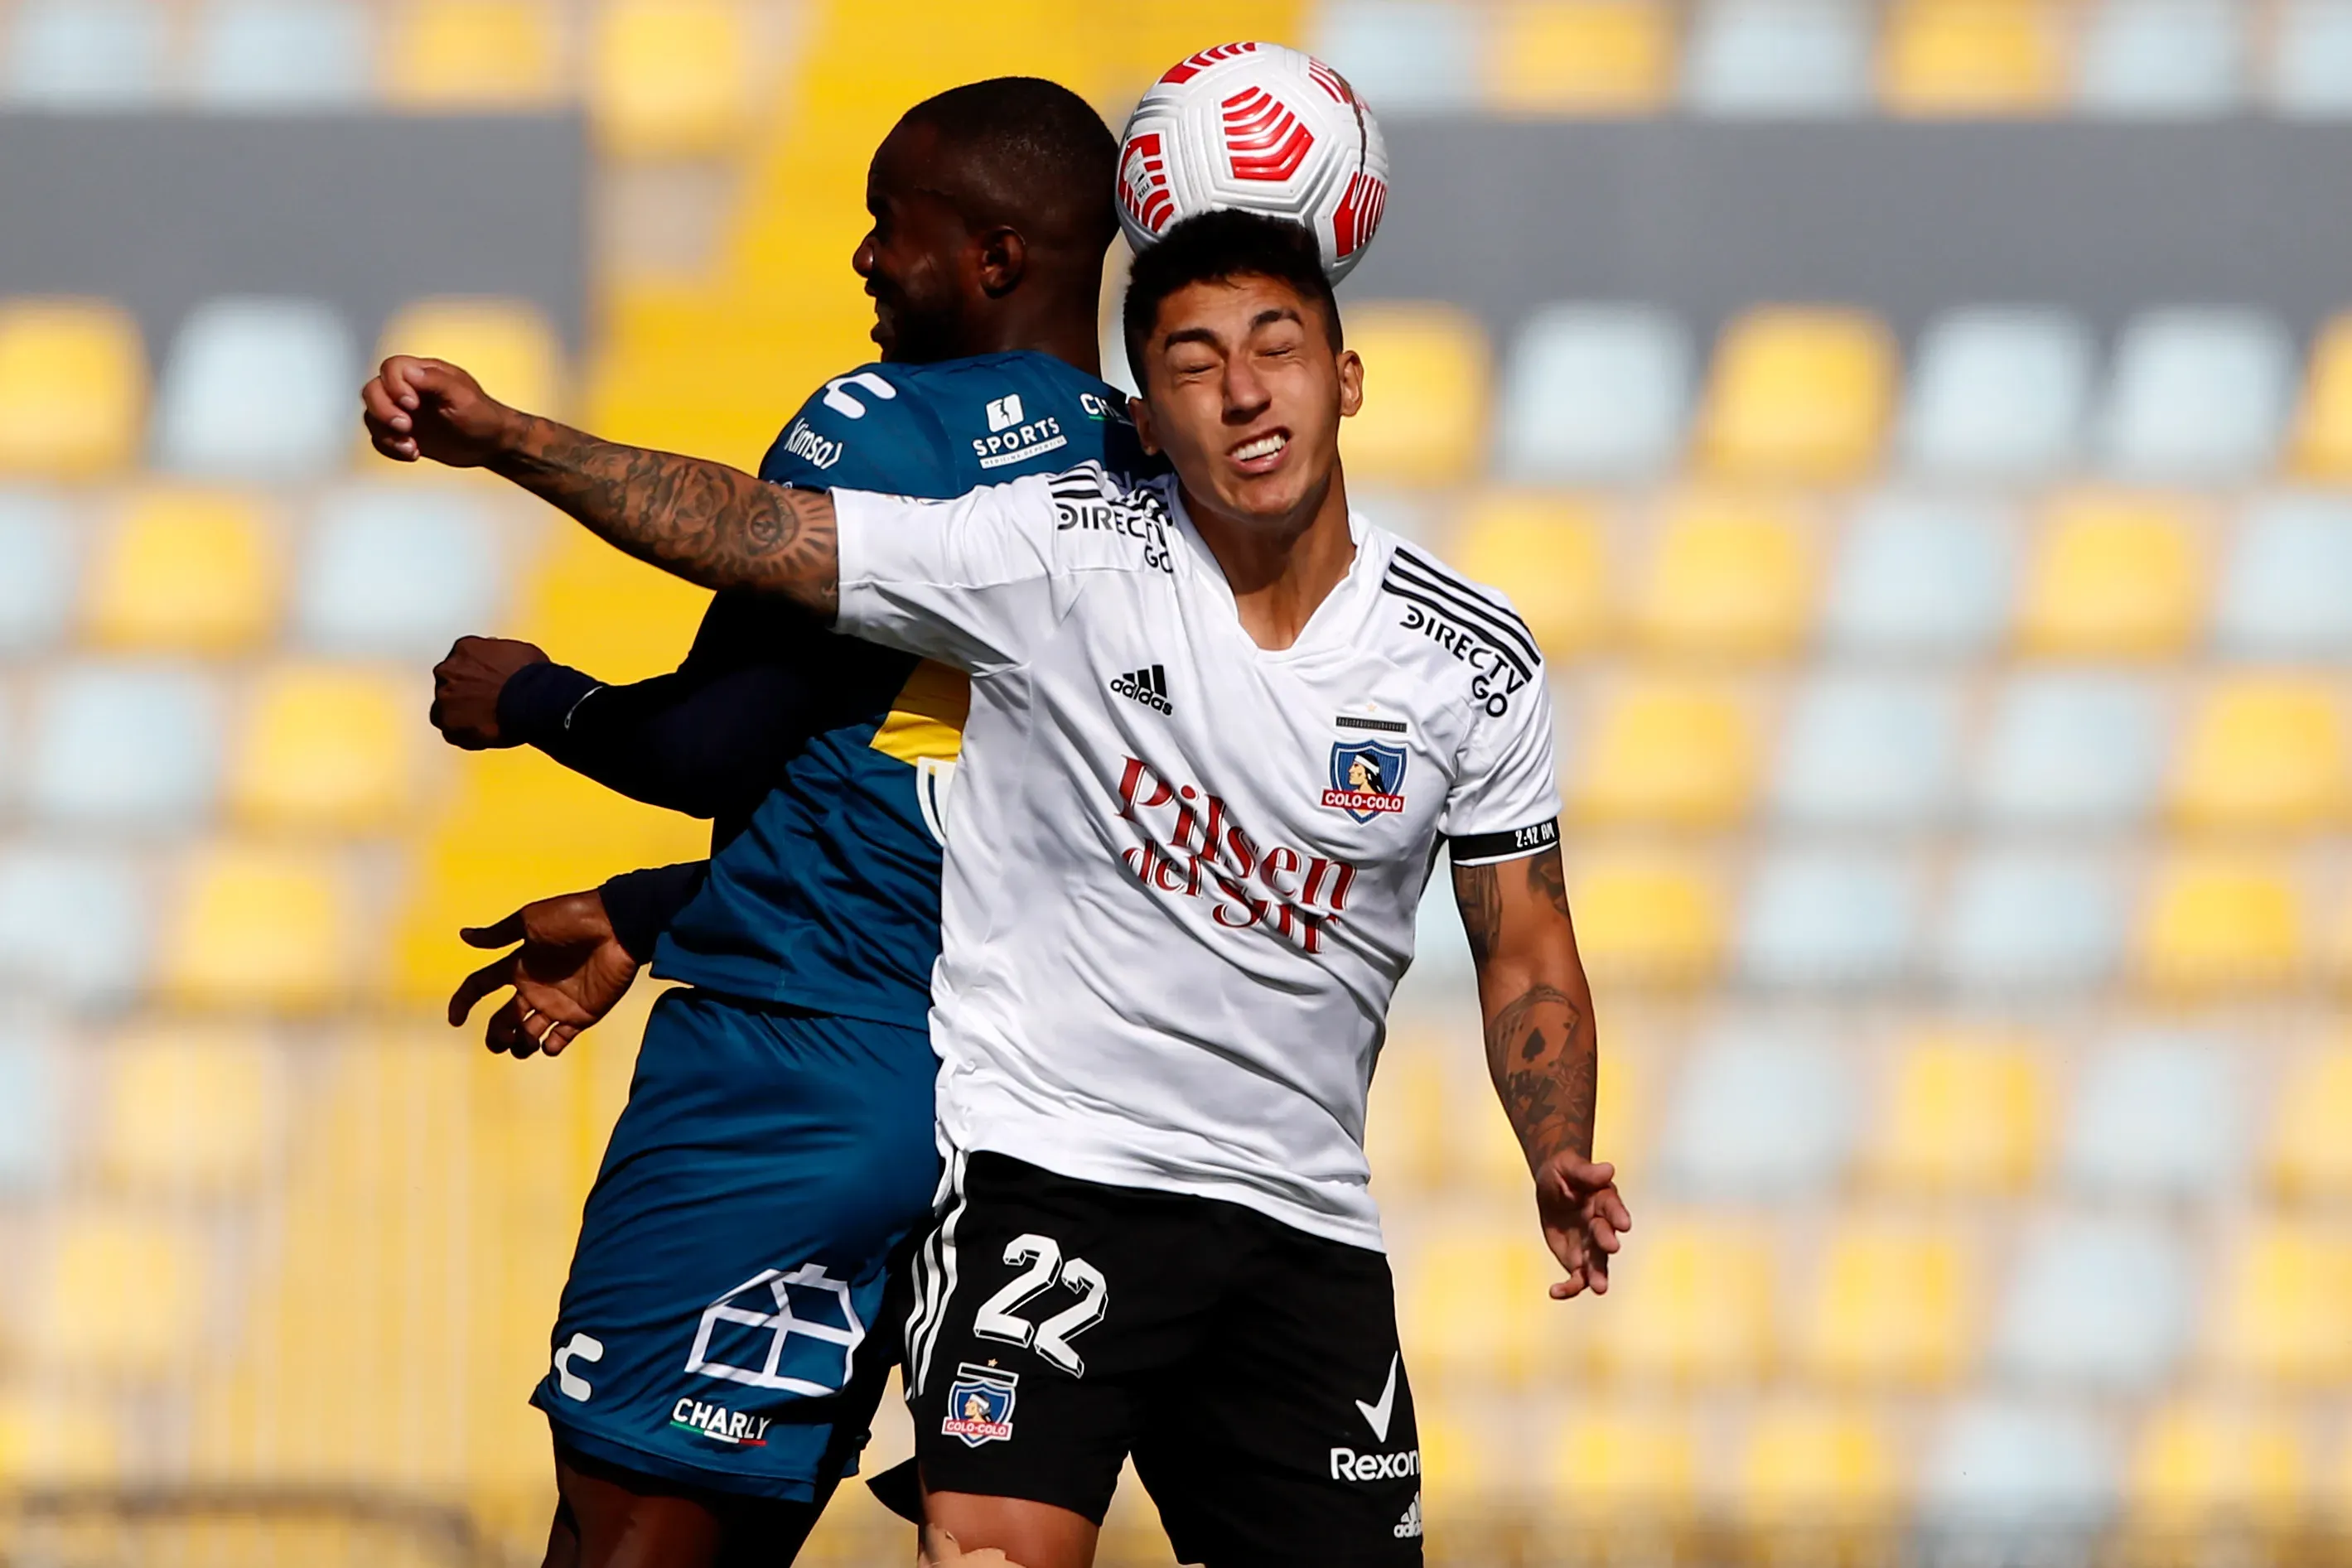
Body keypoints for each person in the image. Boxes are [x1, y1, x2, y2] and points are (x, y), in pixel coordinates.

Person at [375, 205, 1631, 1567]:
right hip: (1054, 1176)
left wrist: (1553, 1143)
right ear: (1145, 414)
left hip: (1300, 1217)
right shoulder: (1057, 553)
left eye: (1277, 347)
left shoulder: (1467, 657)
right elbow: (756, 531)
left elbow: (1524, 940)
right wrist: (508, 438)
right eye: (1195, 363)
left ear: (1348, 375)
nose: (1247, 390)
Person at [363, 77, 1154, 1568]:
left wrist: (535, 698)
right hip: (1008, 1106)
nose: (862, 260)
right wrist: (660, 909)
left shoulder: (884, 427)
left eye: (889, 228)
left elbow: (715, 745)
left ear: (992, 257)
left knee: (627, 1536)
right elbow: (968, 800)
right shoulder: (1140, 473)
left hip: (789, 1078)